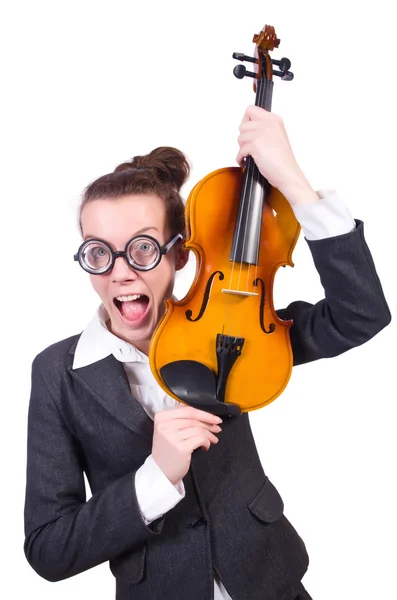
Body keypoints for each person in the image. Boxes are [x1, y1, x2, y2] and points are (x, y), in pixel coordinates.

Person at [24, 105, 391, 600]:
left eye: (143, 249)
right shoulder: (56, 375)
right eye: (98, 252)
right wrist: (154, 480)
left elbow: (361, 314)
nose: (120, 272)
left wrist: (294, 183)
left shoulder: (237, 328)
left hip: (272, 582)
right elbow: (48, 549)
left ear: (180, 252)